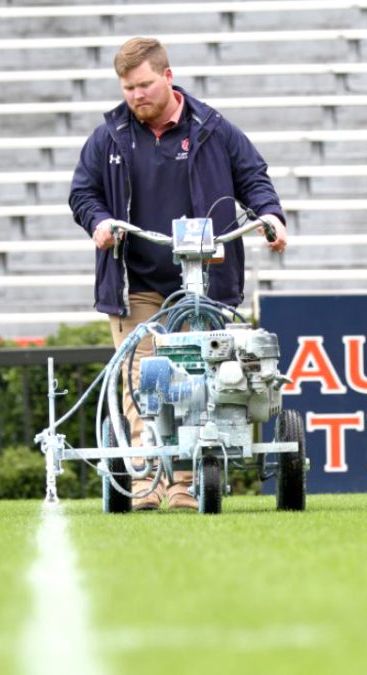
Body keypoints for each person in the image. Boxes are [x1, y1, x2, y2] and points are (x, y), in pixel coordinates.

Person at [69, 37, 288, 512]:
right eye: (127, 87)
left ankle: (185, 483)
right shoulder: (109, 137)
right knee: (141, 380)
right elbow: (82, 192)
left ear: (167, 77)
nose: (135, 96)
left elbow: (253, 178)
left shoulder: (212, 129)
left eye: (144, 84)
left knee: (196, 382)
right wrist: (99, 221)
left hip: (202, 284)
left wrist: (270, 216)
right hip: (137, 283)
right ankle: (146, 480)